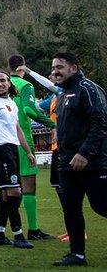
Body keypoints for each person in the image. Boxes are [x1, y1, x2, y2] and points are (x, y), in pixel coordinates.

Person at [46, 52, 107, 267]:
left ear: (73, 68)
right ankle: (77, 255)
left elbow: (100, 125)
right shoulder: (61, 94)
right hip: (66, 164)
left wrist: (84, 153)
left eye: (60, 67)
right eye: (54, 68)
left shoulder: (88, 89)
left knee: (101, 206)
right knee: (70, 209)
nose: (55, 72)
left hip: (91, 163)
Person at [0, 71, 36, 249]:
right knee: (14, 193)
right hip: (0, 148)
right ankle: (18, 234)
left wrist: (28, 152)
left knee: (5, 194)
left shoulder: (11, 102)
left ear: (9, 83)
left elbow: (17, 129)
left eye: (2, 80)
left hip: (13, 149)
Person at [7, 54, 56, 240]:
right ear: (22, 67)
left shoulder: (4, 84)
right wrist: (53, 125)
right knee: (28, 185)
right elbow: (29, 110)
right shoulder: (25, 85)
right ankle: (34, 229)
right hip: (23, 140)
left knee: (9, 187)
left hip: (7, 142)